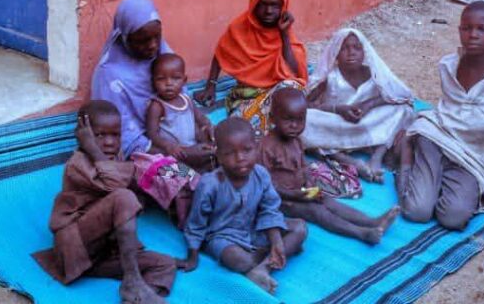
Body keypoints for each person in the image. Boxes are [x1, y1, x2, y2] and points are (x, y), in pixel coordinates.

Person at [398, 1, 484, 231]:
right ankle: (406, 155)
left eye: (483, 29)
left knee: (453, 218)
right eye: (466, 28)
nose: (473, 35)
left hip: (474, 156)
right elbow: (450, 112)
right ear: (459, 30)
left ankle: (435, 178)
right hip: (436, 138)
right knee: (417, 212)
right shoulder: (447, 65)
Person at [32, 101, 175, 303]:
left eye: (115, 135)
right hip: (75, 250)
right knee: (124, 197)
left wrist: (174, 172)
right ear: (83, 135)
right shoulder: (77, 164)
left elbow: (130, 181)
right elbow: (116, 186)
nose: (109, 142)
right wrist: (92, 148)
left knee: (165, 264)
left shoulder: (114, 158)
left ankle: (136, 297)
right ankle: (132, 281)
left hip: (102, 255)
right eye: (99, 135)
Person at [179, 117, 307, 295]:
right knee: (238, 260)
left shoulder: (261, 174)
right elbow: (196, 222)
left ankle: (262, 268)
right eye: (230, 153)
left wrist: (276, 241)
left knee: (300, 228)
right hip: (223, 236)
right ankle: (274, 256)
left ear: (256, 148)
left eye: (247, 150)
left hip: (255, 228)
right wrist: (192, 256)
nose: (240, 158)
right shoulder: (210, 184)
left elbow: (269, 209)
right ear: (219, 156)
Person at [263, 88, 399, 245]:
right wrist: (294, 195)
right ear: (272, 118)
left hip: (301, 191)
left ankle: (372, 222)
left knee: (328, 201)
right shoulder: (267, 148)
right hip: (281, 200)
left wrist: (310, 184)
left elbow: (303, 167)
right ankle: (361, 233)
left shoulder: (296, 140)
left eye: (300, 120)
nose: (294, 125)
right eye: (288, 120)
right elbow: (265, 186)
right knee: (316, 211)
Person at [193, 0, 308, 137]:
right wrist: (210, 86)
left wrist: (284, 35)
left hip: (275, 94)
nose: (268, 11)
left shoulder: (285, 32)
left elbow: (295, 73)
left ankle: (271, 130)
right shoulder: (239, 27)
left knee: (293, 88)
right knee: (241, 131)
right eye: (263, 4)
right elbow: (221, 53)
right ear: (254, 4)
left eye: (275, 5)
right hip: (247, 97)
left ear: (283, 7)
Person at [303, 29, 415, 183]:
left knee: (404, 110)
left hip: (366, 124)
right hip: (336, 125)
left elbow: (401, 95)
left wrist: (368, 104)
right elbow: (305, 104)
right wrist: (337, 109)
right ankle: (348, 161)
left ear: (365, 52)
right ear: (335, 53)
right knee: (304, 120)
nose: (351, 53)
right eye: (344, 48)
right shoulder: (330, 77)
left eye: (357, 48)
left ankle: (377, 156)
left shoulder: (374, 74)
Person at [92, 0, 172, 159]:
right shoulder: (109, 76)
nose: (153, 46)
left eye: (157, 36)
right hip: (145, 154)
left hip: (175, 142)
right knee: (181, 172)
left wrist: (202, 129)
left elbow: (183, 100)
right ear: (125, 38)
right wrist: (180, 153)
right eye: (143, 41)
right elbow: (124, 137)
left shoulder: (164, 56)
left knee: (220, 153)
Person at [144, 53, 215, 172]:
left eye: (175, 78)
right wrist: (168, 146)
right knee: (181, 173)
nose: (169, 83)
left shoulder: (186, 99)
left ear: (184, 80)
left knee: (213, 156)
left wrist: (208, 126)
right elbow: (152, 134)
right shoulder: (157, 106)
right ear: (153, 82)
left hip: (194, 146)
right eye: (161, 79)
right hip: (174, 152)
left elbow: (200, 117)